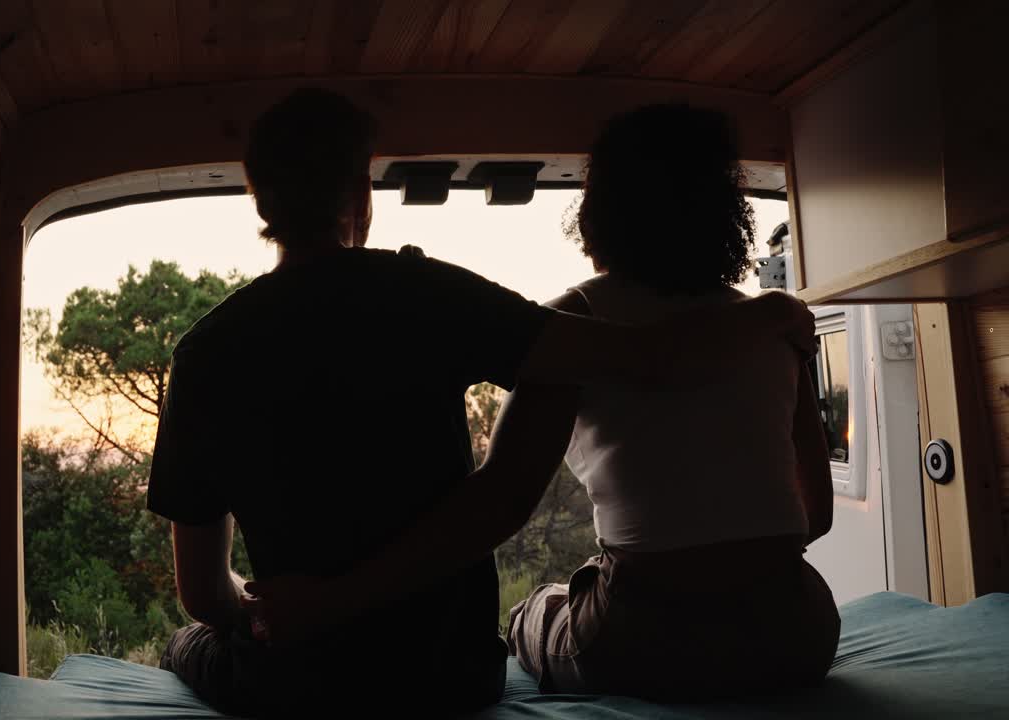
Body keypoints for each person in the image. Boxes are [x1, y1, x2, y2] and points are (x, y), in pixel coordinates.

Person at [149, 91, 814, 717]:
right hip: (452, 673)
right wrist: (777, 309)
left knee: (188, 642)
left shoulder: (204, 353)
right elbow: (654, 359)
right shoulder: (429, 293)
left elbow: (204, 594)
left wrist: (274, 612)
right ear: (360, 193)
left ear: (259, 198)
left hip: (298, 679)